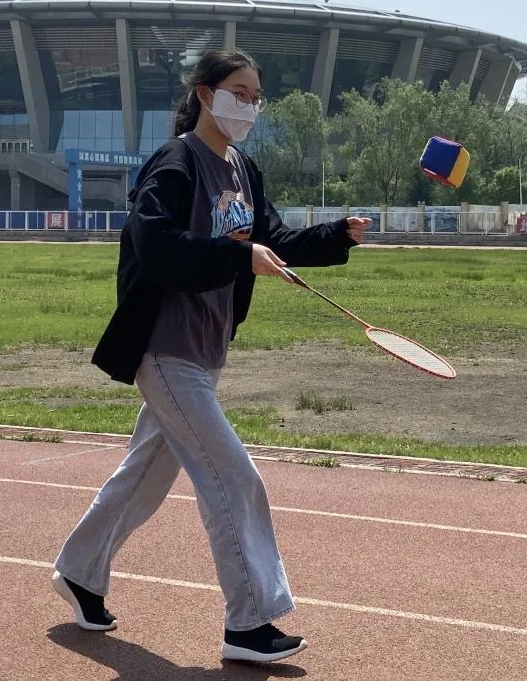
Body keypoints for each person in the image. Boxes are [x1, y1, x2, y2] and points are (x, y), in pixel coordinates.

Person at [50, 49, 372, 663]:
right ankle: (247, 623)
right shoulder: (175, 163)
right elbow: (156, 246)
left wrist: (334, 234)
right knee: (233, 478)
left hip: (207, 351)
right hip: (165, 350)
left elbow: (271, 239)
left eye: (256, 97)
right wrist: (235, 255)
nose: (249, 106)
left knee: (142, 478)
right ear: (205, 94)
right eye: (238, 93)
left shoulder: (243, 170)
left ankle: (79, 571)